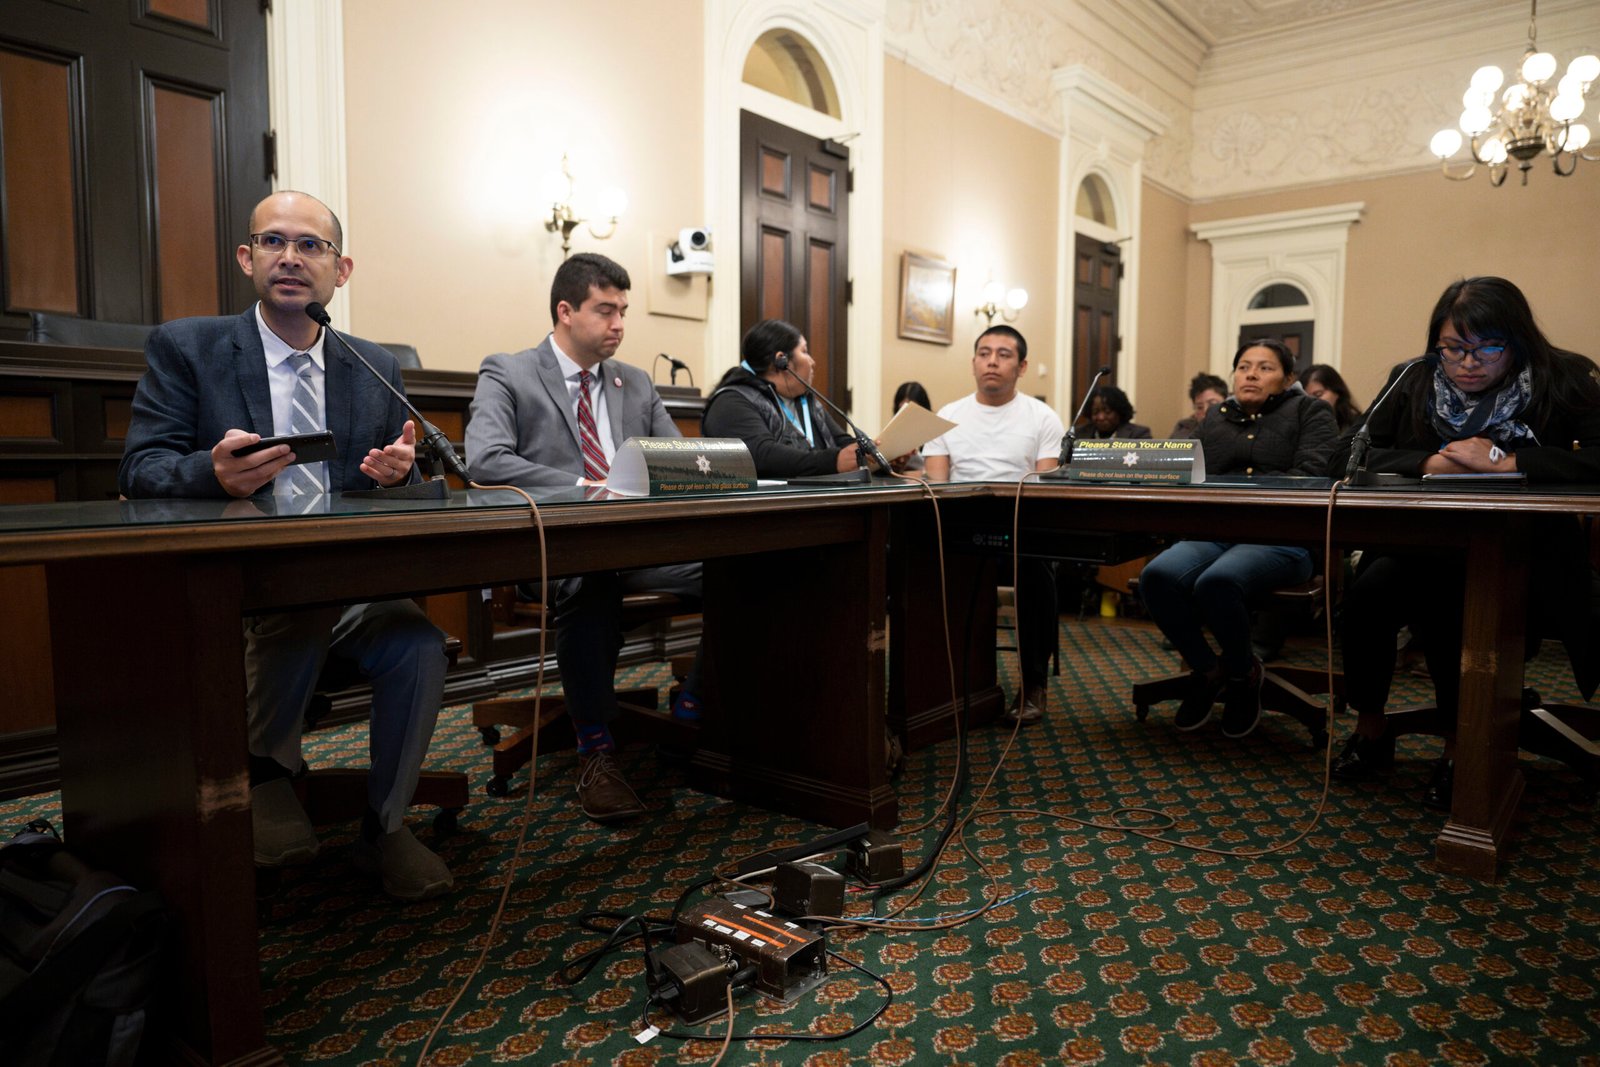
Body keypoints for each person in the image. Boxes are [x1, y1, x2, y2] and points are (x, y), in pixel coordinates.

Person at [118, 190, 453, 900]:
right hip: (242, 591)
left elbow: (411, 475)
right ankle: (267, 769)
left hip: (349, 587)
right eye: (275, 242)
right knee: (296, 602)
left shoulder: (372, 366)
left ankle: (386, 825)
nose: (292, 257)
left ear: (342, 269)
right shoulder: (190, 347)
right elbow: (139, 468)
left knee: (418, 641)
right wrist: (209, 472)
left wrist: (398, 476)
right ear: (247, 258)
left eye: (312, 245)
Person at [1330, 277, 1600, 807]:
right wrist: (1425, 462)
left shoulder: (1564, 377)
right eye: (1453, 348)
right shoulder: (1412, 379)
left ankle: (1461, 747)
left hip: (1530, 554)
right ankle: (1371, 726)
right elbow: (1344, 453)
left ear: (1518, 342)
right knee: (1366, 597)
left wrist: (1511, 462)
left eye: (1486, 349)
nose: (1467, 363)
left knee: (1453, 607)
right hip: (1422, 545)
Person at [465, 253, 703, 823]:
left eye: (624, 310)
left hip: (635, 549)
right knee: (591, 582)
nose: (619, 323)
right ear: (565, 311)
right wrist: (588, 486)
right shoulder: (509, 371)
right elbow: (486, 460)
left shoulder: (636, 382)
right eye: (605, 310)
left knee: (742, 569)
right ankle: (596, 752)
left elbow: (679, 464)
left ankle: (694, 712)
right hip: (551, 549)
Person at [1138, 338, 1338, 738]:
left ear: (1289, 378)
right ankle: (1208, 670)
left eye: (1265, 367)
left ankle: (1243, 675)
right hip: (1215, 534)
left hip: (1284, 538)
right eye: (1244, 366)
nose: (1251, 374)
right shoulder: (1216, 416)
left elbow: (1314, 476)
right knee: (1156, 576)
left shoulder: (1310, 412)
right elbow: (1192, 473)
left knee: (1218, 581)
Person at [922, 325, 1066, 724]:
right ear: (973, 363)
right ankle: (939, 685)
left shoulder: (1042, 417)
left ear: (1021, 367)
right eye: (984, 353)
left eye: (1003, 355)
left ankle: (1033, 683)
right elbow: (937, 483)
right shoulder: (947, 416)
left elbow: (1045, 486)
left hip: (1022, 523)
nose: (992, 361)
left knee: (1036, 568)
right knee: (920, 561)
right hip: (961, 522)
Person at [700, 319, 862, 477]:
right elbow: (761, 455)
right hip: (763, 503)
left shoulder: (804, 400)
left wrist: (870, 454)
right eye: (804, 351)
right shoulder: (731, 402)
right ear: (781, 360)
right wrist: (831, 462)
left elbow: (843, 443)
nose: (812, 362)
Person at [1302, 364, 1364, 430]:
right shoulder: (1301, 427)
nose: (1312, 402)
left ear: (1337, 392)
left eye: (1318, 394)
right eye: (1306, 398)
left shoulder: (1358, 426)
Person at [1170, 372, 1228, 439]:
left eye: (1212, 404)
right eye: (1200, 407)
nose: (1206, 411)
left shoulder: (1237, 430)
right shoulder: (1183, 428)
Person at [1083, 384, 1152, 439]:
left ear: (1119, 411)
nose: (1101, 417)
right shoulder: (1079, 434)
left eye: (1107, 412)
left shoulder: (1138, 434)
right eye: (1095, 412)